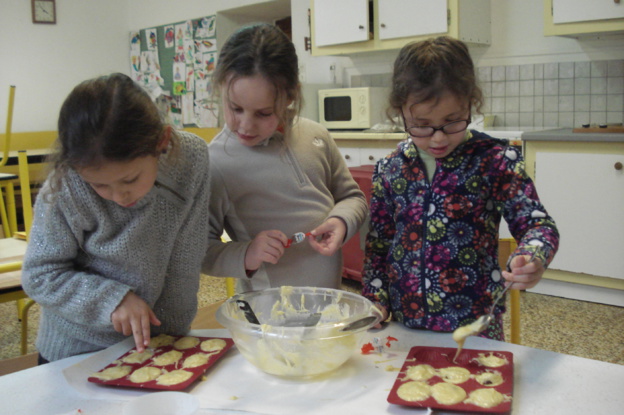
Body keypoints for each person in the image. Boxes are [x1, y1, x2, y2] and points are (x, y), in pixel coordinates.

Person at [362, 37, 559, 340]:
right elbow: (379, 244)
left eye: (452, 121)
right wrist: (376, 299)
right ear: (400, 112)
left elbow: (537, 223)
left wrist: (532, 255)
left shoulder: (495, 160)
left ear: (470, 103)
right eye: (422, 125)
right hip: (405, 322)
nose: (438, 138)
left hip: (475, 322)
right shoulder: (391, 168)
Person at [22, 73, 211, 362]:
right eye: (99, 186)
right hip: (76, 350)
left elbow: (185, 258)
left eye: (130, 179)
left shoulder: (192, 158)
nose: (119, 196)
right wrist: (112, 299)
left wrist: (170, 341)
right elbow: (40, 275)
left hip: (157, 345)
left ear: (162, 142)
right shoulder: (66, 185)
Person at [203, 23, 368, 292]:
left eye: (264, 113)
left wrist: (341, 221)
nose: (246, 125)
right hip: (266, 316)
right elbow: (201, 251)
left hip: (329, 301)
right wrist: (247, 253)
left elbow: (353, 198)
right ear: (221, 88)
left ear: (290, 95)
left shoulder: (316, 135)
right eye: (235, 108)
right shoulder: (216, 162)